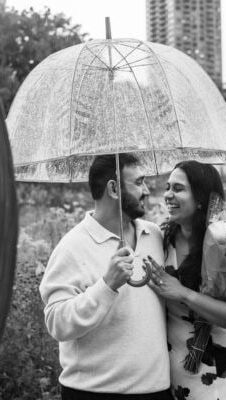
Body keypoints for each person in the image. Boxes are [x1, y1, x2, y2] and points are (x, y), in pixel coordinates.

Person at [39, 154, 172, 400]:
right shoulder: (73, 246)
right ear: (113, 188)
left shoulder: (153, 235)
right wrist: (106, 285)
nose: (146, 191)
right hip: (94, 392)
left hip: (156, 390)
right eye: (138, 182)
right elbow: (57, 323)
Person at [146, 161, 226, 400]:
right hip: (177, 368)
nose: (168, 195)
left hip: (225, 367)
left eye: (178, 188)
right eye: (167, 187)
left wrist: (184, 294)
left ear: (200, 198)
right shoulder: (162, 240)